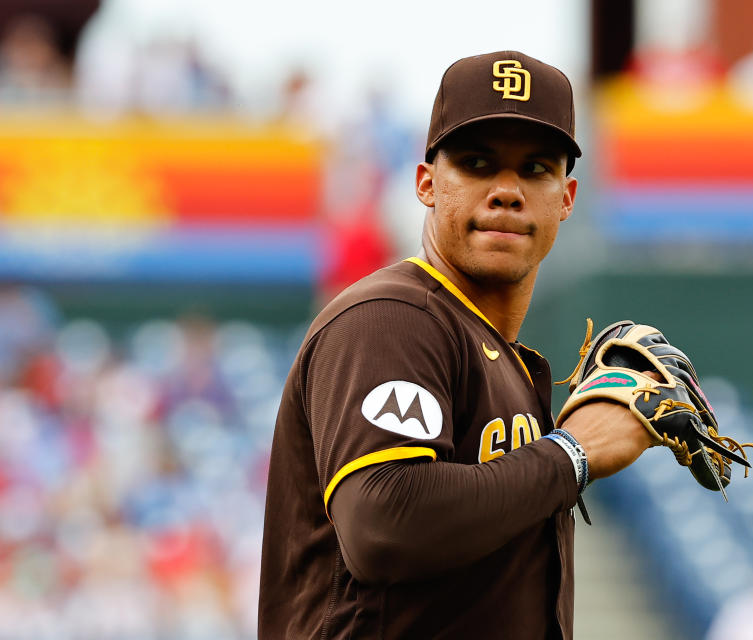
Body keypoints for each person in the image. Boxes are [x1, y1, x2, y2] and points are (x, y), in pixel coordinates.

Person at [258, 51, 659, 639]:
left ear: (567, 197)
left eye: (535, 169)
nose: (506, 191)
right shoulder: (392, 317)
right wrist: (573, 453)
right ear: (426, 184)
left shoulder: (500, 358)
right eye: (476, 164)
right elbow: (384, 522)